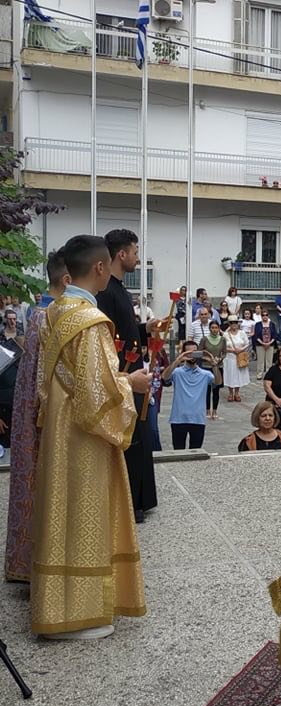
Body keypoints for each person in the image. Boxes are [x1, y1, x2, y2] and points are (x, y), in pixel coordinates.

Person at [32, 233, 151, 640]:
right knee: (84, 513)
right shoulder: (91, 321)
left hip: (60, 428)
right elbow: (96, 392)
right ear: (101, 267)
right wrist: (131, 382)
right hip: (84, 435)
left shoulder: (55, 311)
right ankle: (80, 612)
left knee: (60, 512)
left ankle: (55, 603)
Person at [4, 252, 69, 583]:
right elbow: (50, 378)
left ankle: (23, 562)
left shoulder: (37, 314)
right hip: (42, 416)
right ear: (67, 279)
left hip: (26, 409)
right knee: (41, 488)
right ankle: (40, 567)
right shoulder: (52, 317)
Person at [96, 229, 161, 524]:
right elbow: (111, 339)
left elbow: (127, 330)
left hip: (134, 373)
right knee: (131, 440)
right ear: (121, 254)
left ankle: (140, 499)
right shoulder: (107, 291)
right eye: (135, 251)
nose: (137, 257)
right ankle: (130, 502)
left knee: (141, 437)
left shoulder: (120, 289)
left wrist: (145, 329)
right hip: (123, 375)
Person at [161, 340, 221, 450]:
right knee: (178, 452)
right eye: (188, 353)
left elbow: (218, 382)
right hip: (178, 419)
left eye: (194, 352)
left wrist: (214, 365)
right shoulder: (177, 372)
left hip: (198, 419)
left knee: (196, 453)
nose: (191, 356)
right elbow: (164, 377)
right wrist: (178, 360)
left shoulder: (205, 374)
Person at [200, 320, 227, 420]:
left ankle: (215, 410)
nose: (214, 330)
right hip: (206, 367)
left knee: (216, 390)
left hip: (218, 366)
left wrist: (219, 359)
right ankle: (207, 410)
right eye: (212, 328)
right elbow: (200, 352)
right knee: (207, 390)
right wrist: (208, 359)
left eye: (216, 328)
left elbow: (224, 352)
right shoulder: (204, 339)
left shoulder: (223, 339)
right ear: (209, 329)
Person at [223, 315, 251, 402]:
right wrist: (231, 350)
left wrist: (240, 349)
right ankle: (230, 393)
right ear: (229, 324)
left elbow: (247, 343)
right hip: (229, 357)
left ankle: (237, 393)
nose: (234, 324)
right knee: (229, 375)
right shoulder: (225, 334)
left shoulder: (242, 333)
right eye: (232, 323)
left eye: (235, 322)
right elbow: (222, 346)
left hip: (240, 356)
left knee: (239, 375)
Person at [254, 309, 278, 380]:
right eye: (263, 315)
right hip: (260, 344)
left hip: (270, 345)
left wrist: (269, 343)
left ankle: (269, 374)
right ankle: (259, 374)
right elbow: (256, 335)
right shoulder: (258, 324)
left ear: (268, 316)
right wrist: (263, 343)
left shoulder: (272, 324)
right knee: (260, 361)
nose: (265, 316)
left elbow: (274, 335)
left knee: (269, 361)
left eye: (266, 315)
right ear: (261, 316)